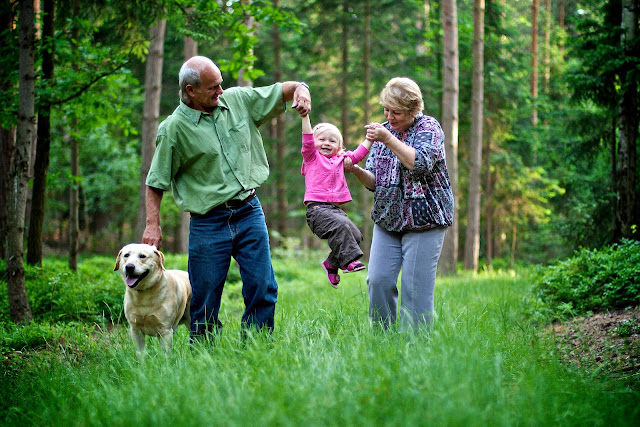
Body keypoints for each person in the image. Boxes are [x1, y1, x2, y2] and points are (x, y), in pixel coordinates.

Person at [142, 56, 311, 339]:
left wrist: (302, 89)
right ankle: (204, 359)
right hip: (208, 222)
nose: (221, 91)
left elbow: (286, 89)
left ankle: (257, 349)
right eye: (213, 87)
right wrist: (152, 224)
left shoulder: (238, 100)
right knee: (204, 298)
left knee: (263, 286)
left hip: (249, 211)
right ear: (190, 91)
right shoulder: (173, 129)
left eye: (221, 84)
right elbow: (156, 180)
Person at [344, 77, 454, 330]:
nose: (389, 116)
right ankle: (384, 344)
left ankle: (415, 350)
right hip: (388, 218)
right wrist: (357, 170)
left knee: (415, 290)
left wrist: (388, 138)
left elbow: (420, 164)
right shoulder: (383, 131)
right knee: (379, 281)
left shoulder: (430, 129)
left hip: (426, 219)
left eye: (396, 112)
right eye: (386, 109)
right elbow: (374, 182)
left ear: (414, 110)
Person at [300, 114, 372, 288]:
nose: (326, 143)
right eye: (322, 139)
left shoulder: (340, 160)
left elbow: (358, 155)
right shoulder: (312, 158)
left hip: (333, 210)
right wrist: (305, 116)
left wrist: (370, 139)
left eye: (332, 141)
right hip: (317, 210)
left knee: (355, 235)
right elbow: (308, 140)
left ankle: (331, 264)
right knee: (342, 226)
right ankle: (348, 263)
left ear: (339, 147)